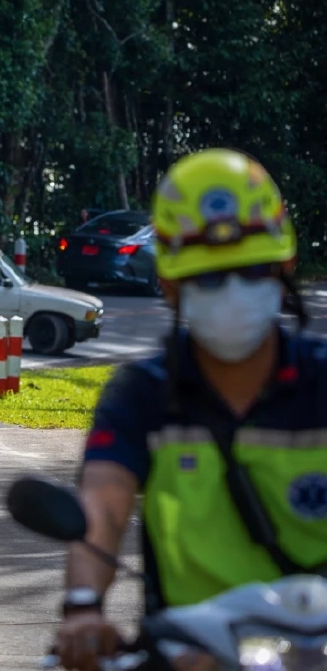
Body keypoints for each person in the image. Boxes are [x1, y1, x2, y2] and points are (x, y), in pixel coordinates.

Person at [54, 149, 327, 671]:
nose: (232, 292)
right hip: (187, 653)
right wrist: (83, 608)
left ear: (285, 269)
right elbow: (104, 507)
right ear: (171, 285)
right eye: (208, 277)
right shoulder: (142, 394)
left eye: (251, 272)